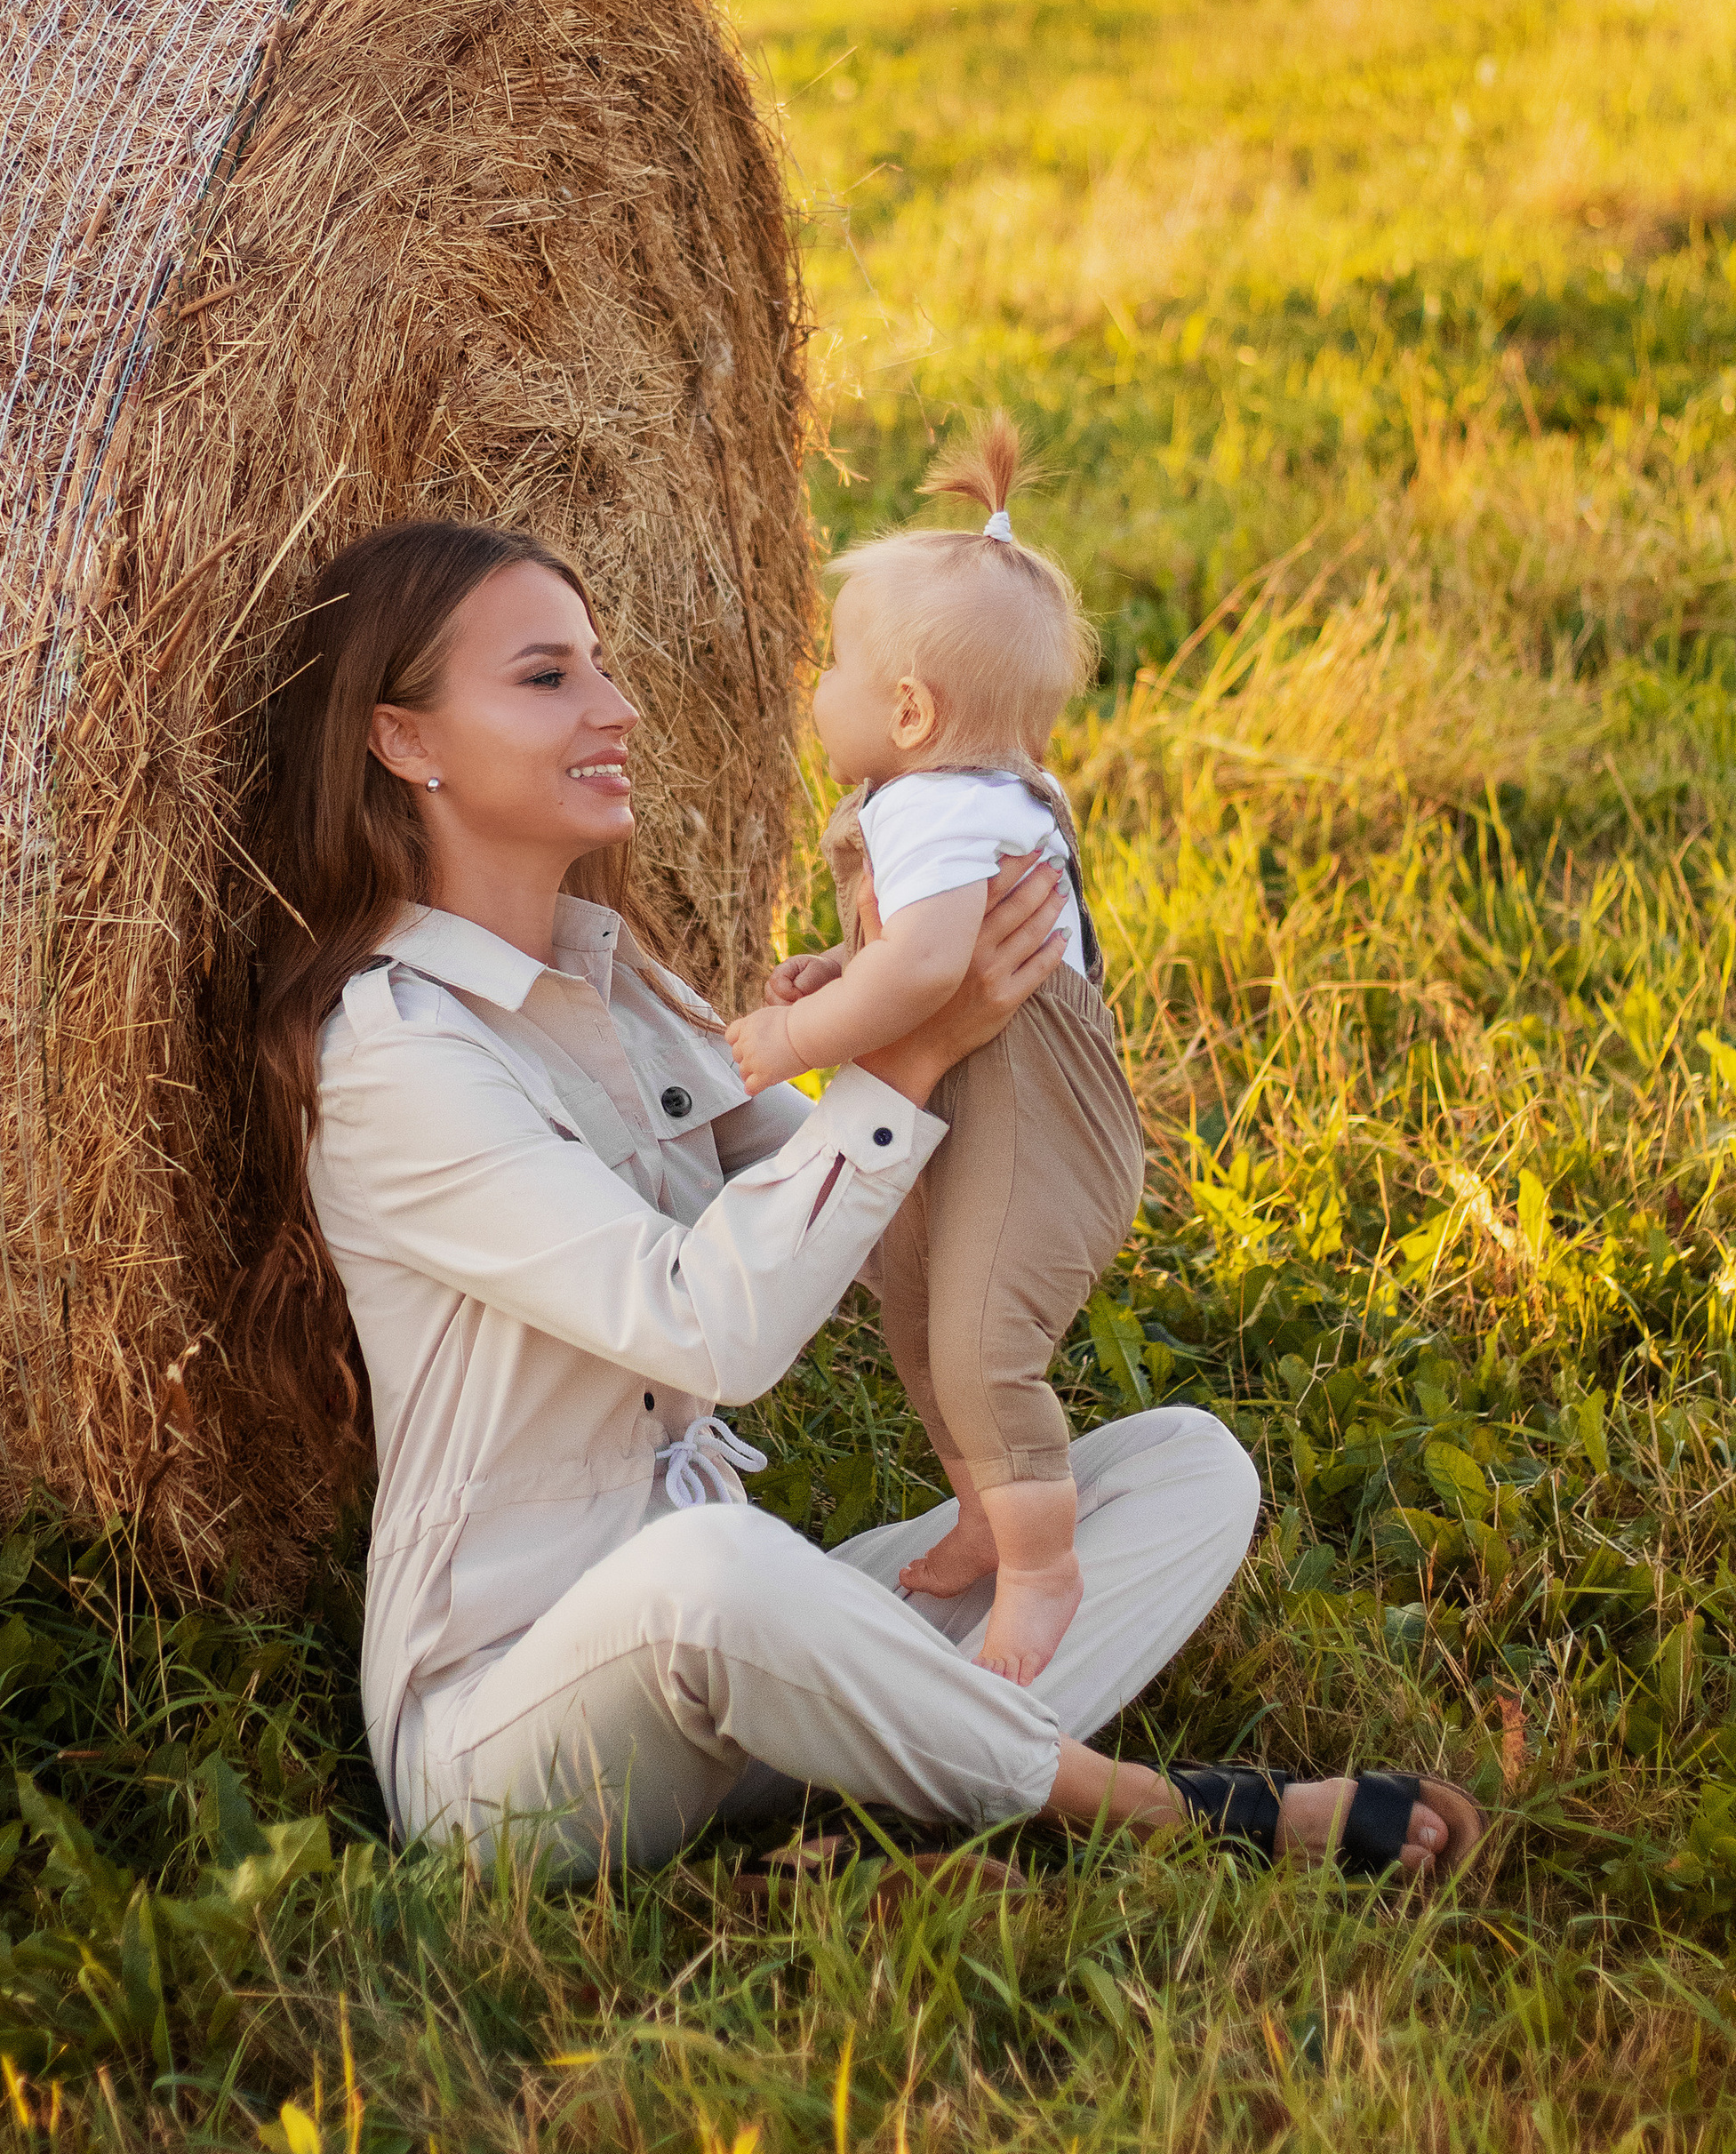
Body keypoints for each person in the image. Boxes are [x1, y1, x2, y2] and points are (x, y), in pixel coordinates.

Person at [238, 515, 1484, 1892]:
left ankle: (889, 1811)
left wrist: (990, 1029)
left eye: (601, 664)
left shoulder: (623, 985)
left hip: (750, 1648)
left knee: (1187, 1464)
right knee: (716, 1572)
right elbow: (711, 1330)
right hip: (514, 1732)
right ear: (404, 742)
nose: (619, 706)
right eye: (547, 679)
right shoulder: (400, 1051)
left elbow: (838, 1187)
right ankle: (1164, 1809)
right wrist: (899, 1059)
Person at [724, 418, 1141, 1687]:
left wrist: (793, 1034)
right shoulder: (948, 800)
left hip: (1036, 1126)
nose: (820, 689)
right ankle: (981, 1507)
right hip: (970, 1101)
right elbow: (921, 951)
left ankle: (1042, 1566)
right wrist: (841, 968)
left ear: (908, 710)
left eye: (836, 667)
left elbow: (925, 970)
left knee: (974, 1341)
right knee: (910, 1311)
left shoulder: (940, 802)